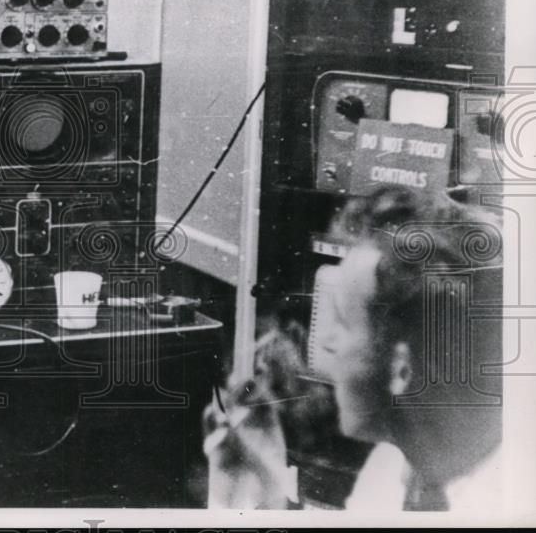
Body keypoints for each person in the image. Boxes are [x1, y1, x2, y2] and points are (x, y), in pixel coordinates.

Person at [205, 185, 504, 511]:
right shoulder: (390, 470)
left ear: (401, 367)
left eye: (344, 323)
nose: (327, 342)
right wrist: (261, 490)